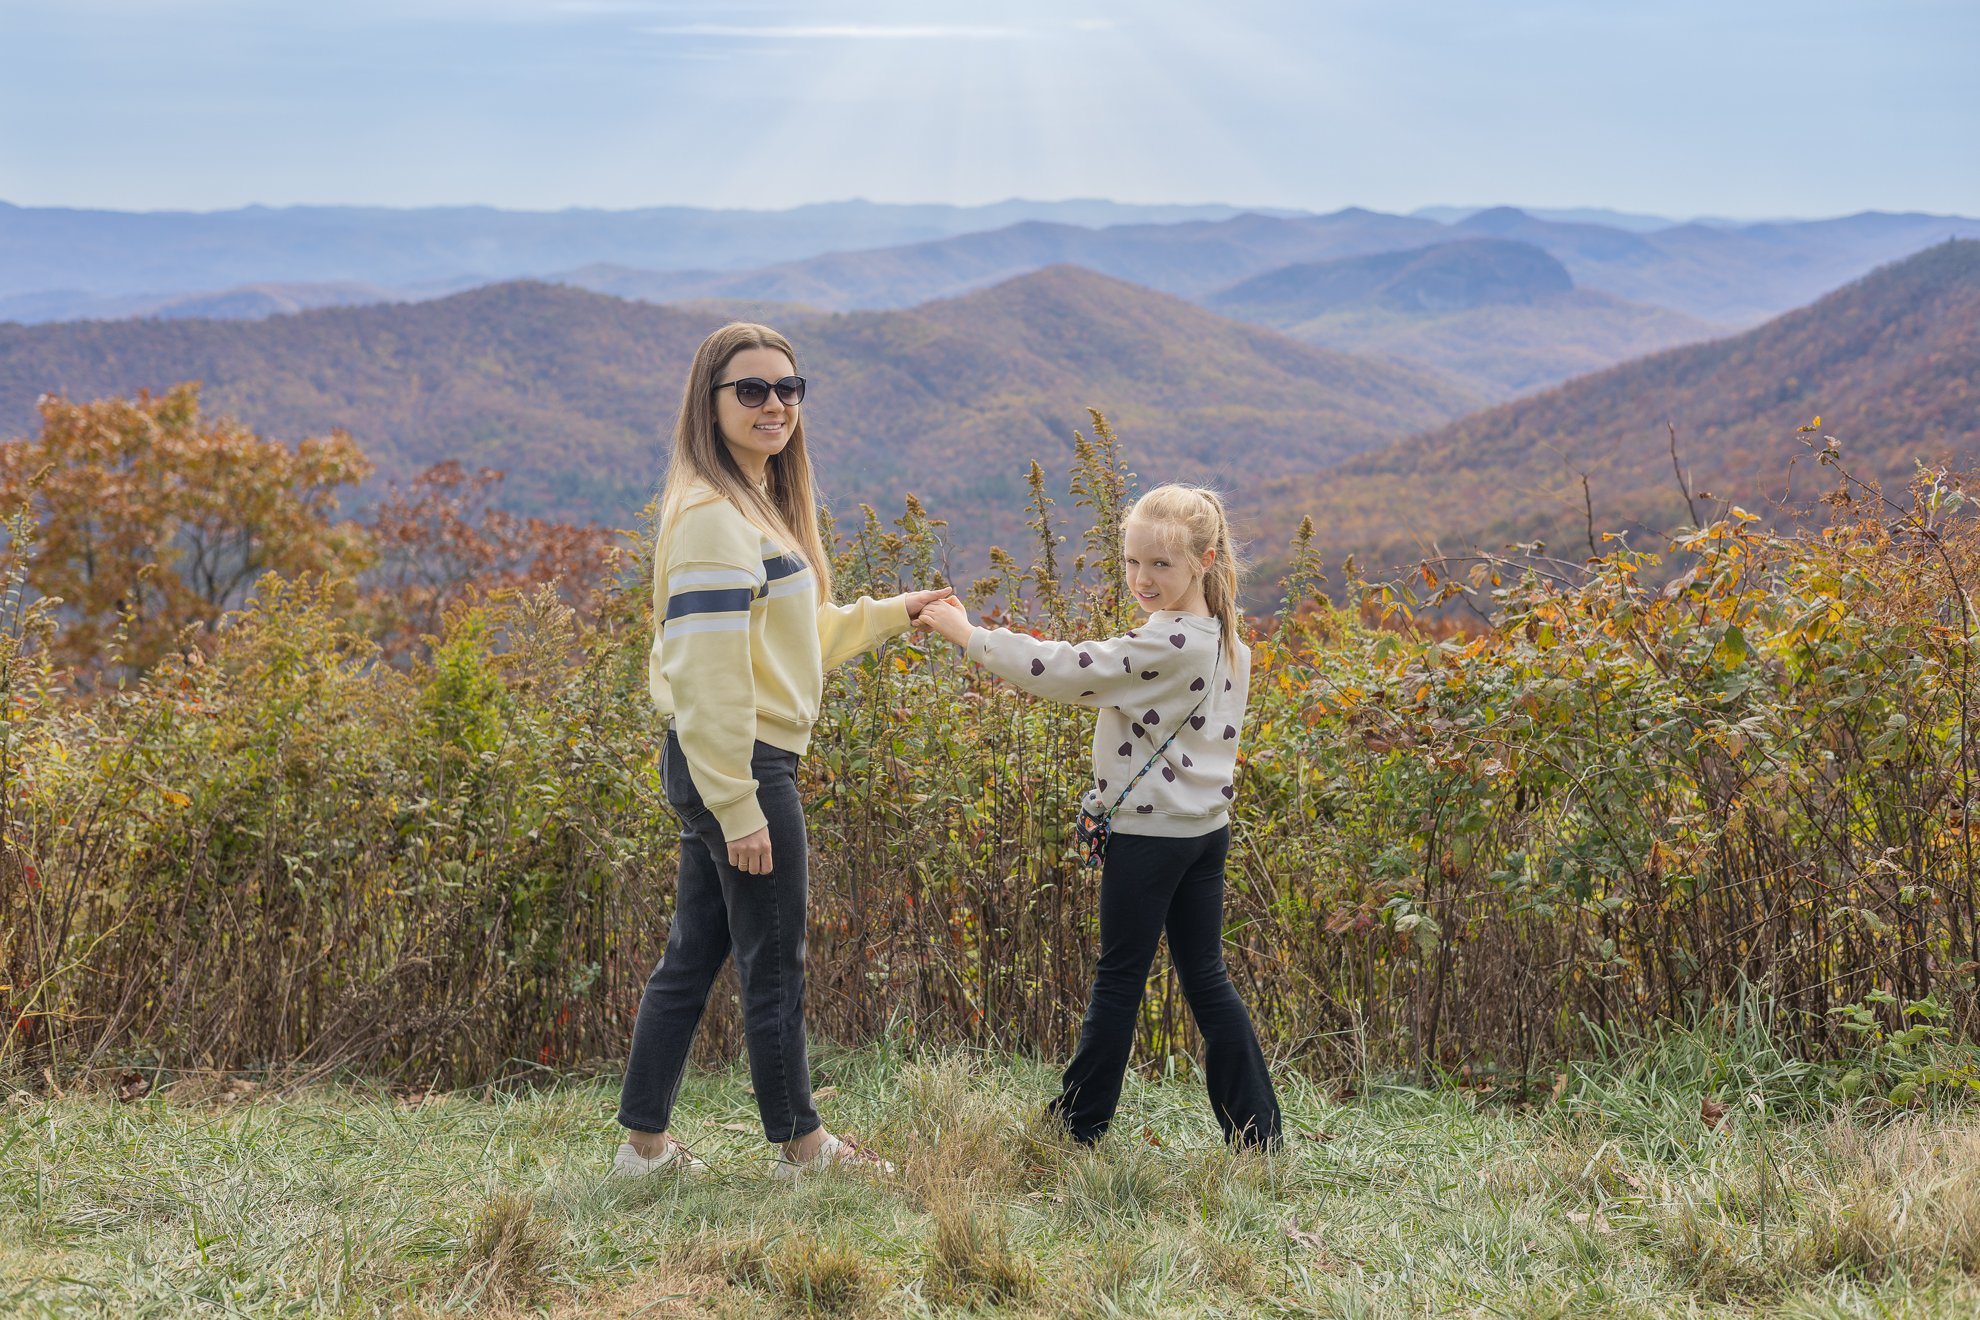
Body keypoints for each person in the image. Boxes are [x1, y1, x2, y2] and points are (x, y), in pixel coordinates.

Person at [615, 322, 952, 1180]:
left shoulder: (752, 506)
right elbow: (707, 673)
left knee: (695, 952)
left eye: (788, 389)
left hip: (729, 758)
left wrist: (893, 612)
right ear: (711, 401)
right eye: (752, 390)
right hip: (741, 761)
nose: (775, 405)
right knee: (774, 961)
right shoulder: (711, 521)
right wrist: (737, 802)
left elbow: (794, 638)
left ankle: (644, 1149)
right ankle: (802, 1150)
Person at [917, 484, 1281, 1148]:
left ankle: (1078, 1127)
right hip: (1204, 832)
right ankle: (1257, 1133)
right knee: (1206, 978)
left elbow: (1070, 670)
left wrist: (970, 636)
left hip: (1152, 836)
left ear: (1202, 560)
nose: (1143, 578)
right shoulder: (1227, 641)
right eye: (1133, 562)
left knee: (1118, 983)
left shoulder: (1172, 646)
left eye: (1161, 565)